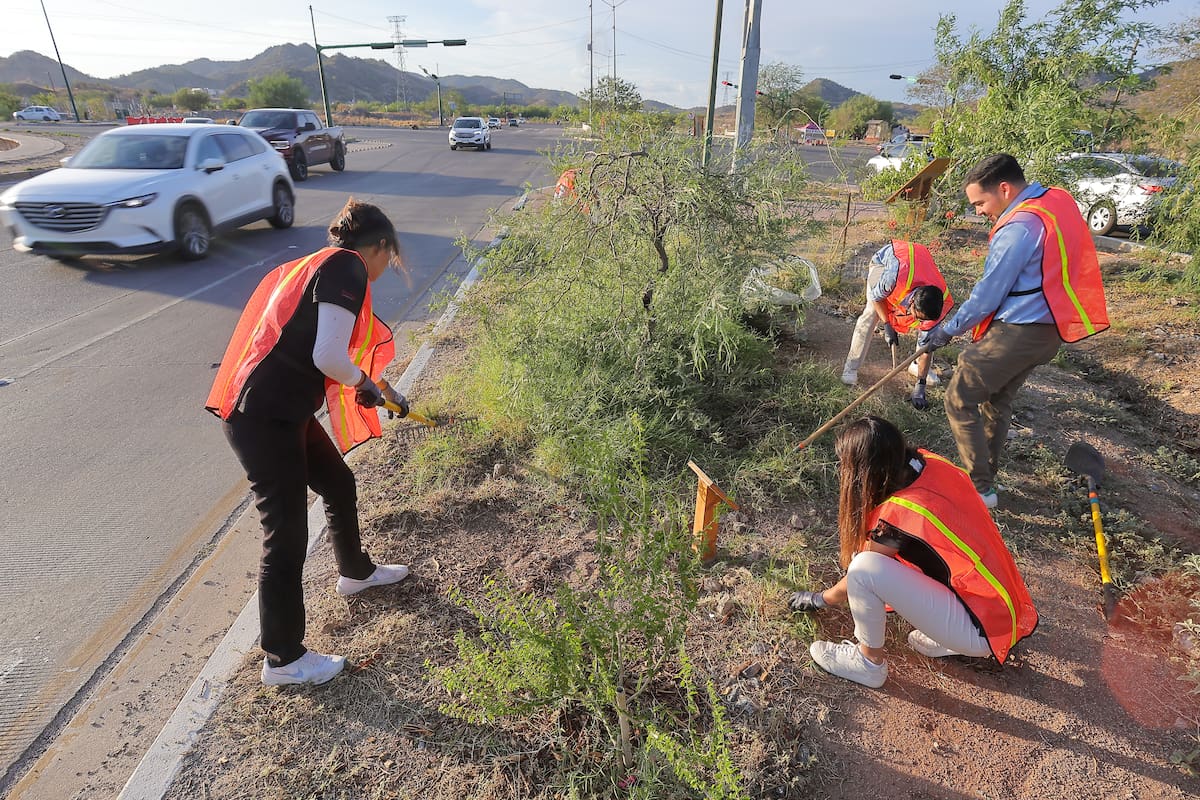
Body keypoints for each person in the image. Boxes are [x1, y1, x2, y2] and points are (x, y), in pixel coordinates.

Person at [206, 198, 413, 687]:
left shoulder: (317, 262)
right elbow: (328, 355)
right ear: (379, 247)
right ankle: (283, 658)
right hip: (264, 417)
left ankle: (356, 573)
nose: (385, 269)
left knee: (338, 484)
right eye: (390, 258)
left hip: (282, 410)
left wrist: (381, 388)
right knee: (286, 532)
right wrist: (364, 379)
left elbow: (324, 350)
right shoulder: (348, 266)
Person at [789, 416, 1038, 688]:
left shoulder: (898, 516)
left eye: (844, 465)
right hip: (998, 608)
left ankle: (868, 663)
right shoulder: (931, 464)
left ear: (864, 470)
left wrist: (820, 599)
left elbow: (863, 574)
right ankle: (949, 638)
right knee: (872, 567)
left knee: (863, 569)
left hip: (980, 629)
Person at [918, 154, 1109, 508]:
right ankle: (988, 481)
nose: (977, 211)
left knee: (959, 399)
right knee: (997, 401)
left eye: (979, 202)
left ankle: (979, 491)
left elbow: (987, 295)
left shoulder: (1019, 227)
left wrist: (947, 330)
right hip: (1049, 329)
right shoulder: (1053, 202)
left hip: (1020, 330)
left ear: (1004, 189)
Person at [841, 239, 953, 411]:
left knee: (926, 336)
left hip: (917, 265)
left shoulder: (939, 303)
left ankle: (916, 367)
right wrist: (887, 324)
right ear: (913, 303)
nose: (919, 322)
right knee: (871, 314)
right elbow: (877, 297)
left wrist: (920, 387)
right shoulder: (893, 279)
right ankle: (851, 367)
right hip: (885, 261)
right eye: (917, 316)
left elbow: (927, 346)